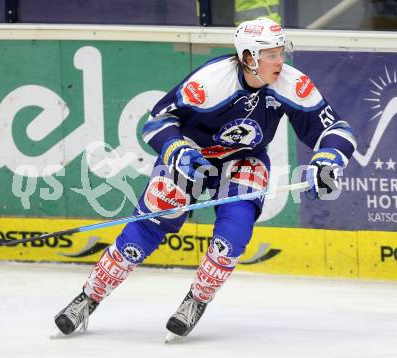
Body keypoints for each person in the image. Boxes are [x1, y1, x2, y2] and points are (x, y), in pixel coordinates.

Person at [54, 17, 357, 340]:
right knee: (140, 235)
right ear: (249, 58)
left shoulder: (290, 83)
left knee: (233, 235)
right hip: (193, 158)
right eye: (271, 54)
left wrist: (328, 159)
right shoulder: (210, 83)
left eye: (281, 52)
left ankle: (196, 300)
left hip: (245, 160)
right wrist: (177, 151)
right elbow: (157, 121)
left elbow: (335, 129)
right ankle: (88, 299)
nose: (280, 61)